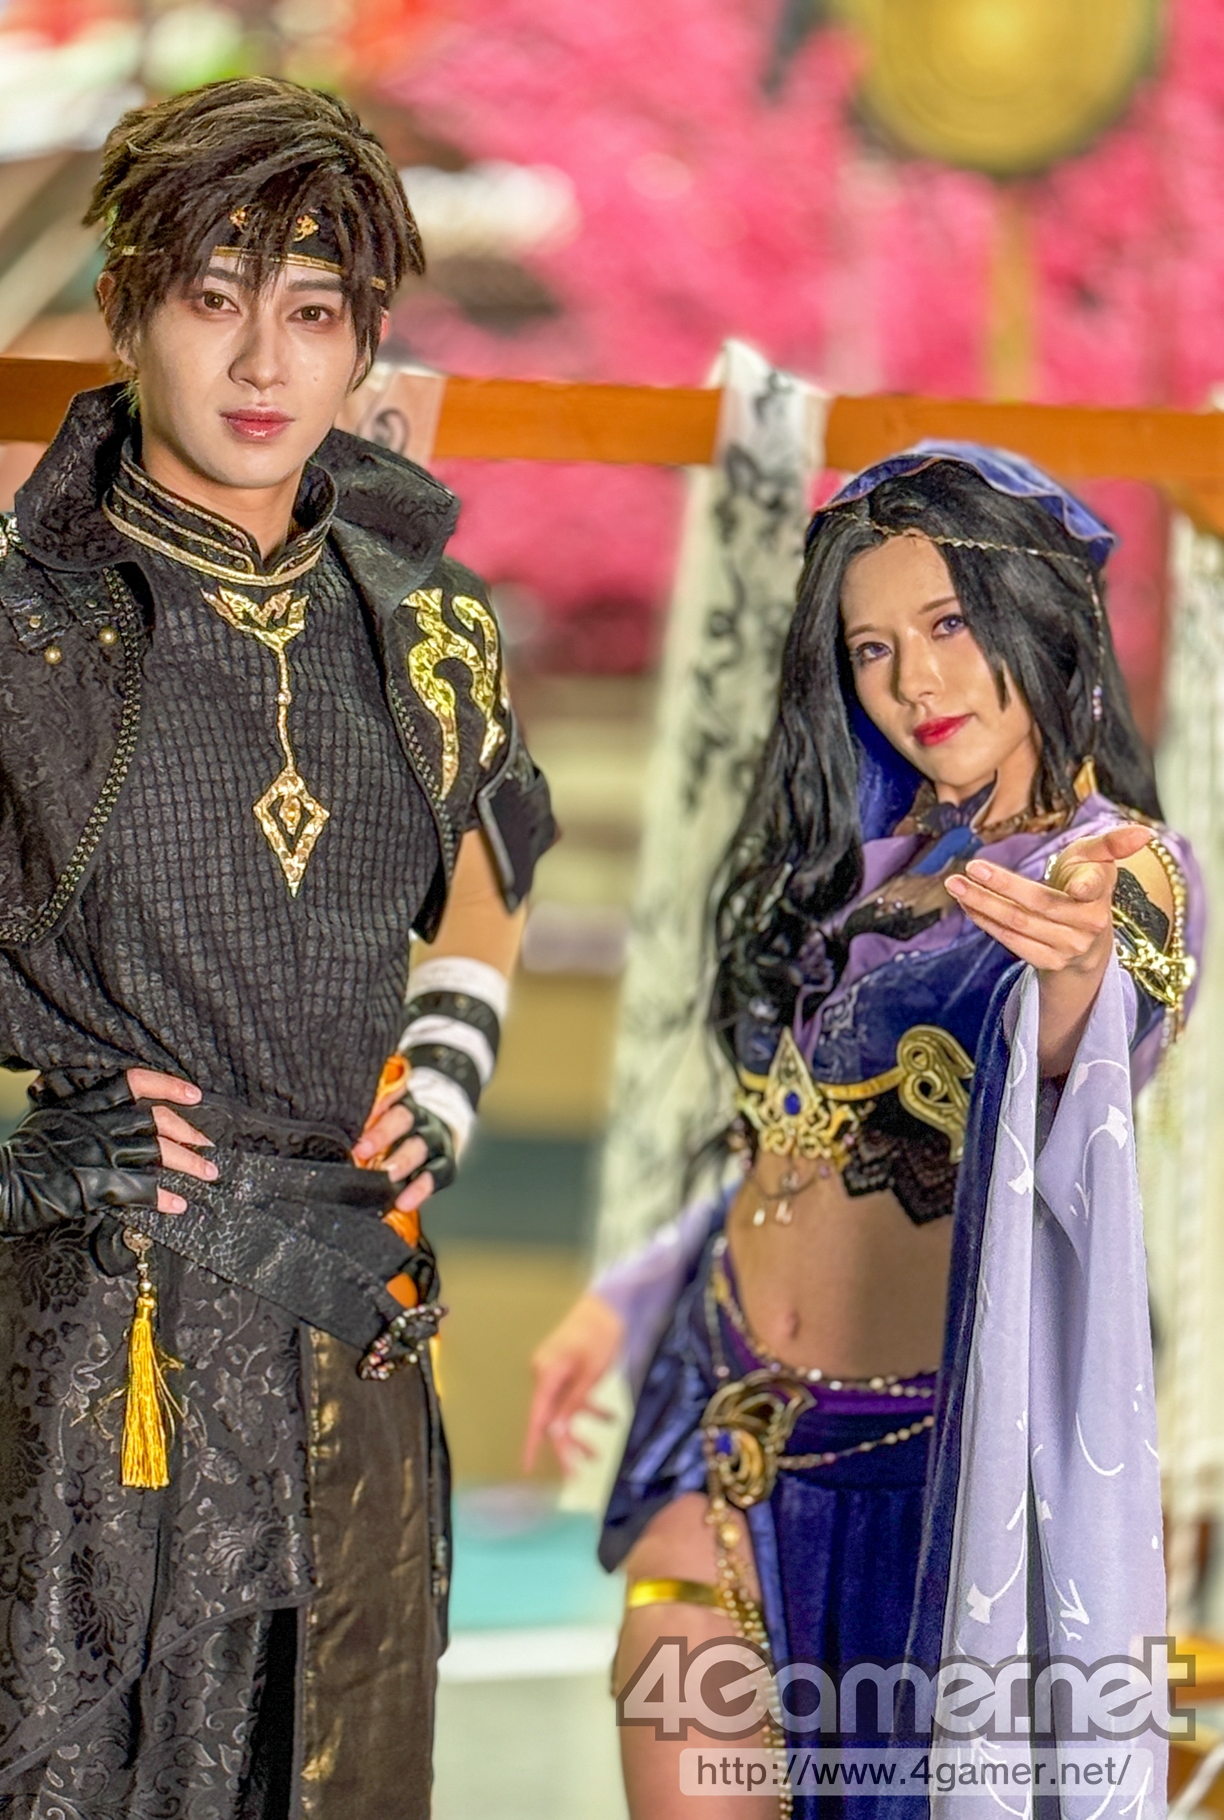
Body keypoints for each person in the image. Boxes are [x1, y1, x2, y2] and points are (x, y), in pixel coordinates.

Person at [0, 78, 554, 1820]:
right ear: (126, 307)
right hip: (109, 1352)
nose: (261, 361)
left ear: (363, 339)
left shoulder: (429, 618)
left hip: (352, 1336)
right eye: (212, 297)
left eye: (312, 313)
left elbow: (493, 862)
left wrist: (444, 1071)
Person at [526, 446, 1199, 1818]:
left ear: (1039, 613)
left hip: (923, 1494)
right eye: (873, 647)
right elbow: (787, 1149)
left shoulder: (1113, 865)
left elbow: (1101, 1008)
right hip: (717, 1432)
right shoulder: (860, 870)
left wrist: (1078, 966)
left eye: (949, 624)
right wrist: (627, 1296)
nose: (914, 683)